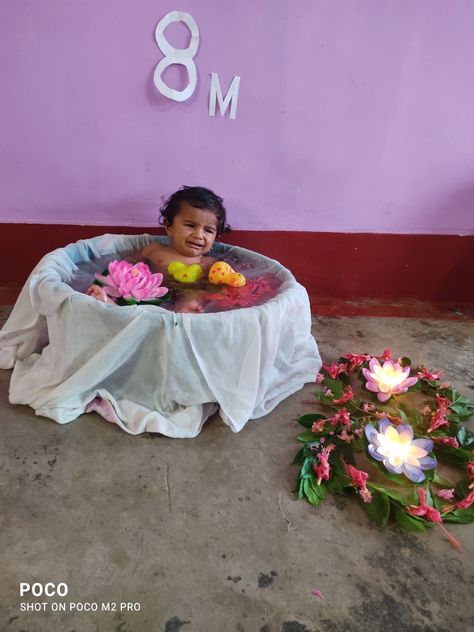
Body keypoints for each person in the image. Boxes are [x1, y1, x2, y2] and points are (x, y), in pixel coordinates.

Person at [87, 186, 230, 312]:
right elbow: (128, 264)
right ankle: (110, 304)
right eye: (190, 225)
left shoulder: (209, 263)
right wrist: (116, 275)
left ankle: (185, 310)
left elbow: (216, 286)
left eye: (208, 231)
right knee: (124, 282)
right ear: (169, 226)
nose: (199, 235)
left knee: (198, 293)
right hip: (148, 295)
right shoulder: (154, 250)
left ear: (216, 237)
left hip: (181, 294)